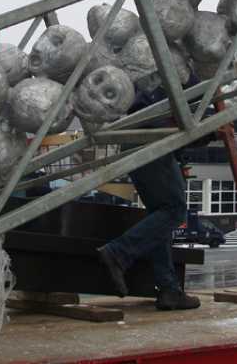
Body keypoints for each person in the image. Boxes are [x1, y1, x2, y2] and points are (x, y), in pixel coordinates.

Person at [97, 80, 204, 311]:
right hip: (151, 136)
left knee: (160, 216)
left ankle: (169, 290)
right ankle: (118, 252)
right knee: (173, 210)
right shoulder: (185, 71)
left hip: (137, 138)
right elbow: (184, 116)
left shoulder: (144, 68)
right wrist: (214, 130)